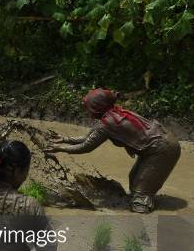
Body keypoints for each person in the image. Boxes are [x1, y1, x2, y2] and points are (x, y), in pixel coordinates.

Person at [45, 88, 181, 213]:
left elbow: (86, 146)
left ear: (95, 107)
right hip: (161, 142)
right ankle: (147, 197)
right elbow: (88, 137)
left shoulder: (107, 124)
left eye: (88, 108)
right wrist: (64, 139)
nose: (87, 111)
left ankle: (141, 223)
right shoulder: (113, 113)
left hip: (162, 149)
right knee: (134, 179)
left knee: (140, 197)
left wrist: (60, 148)